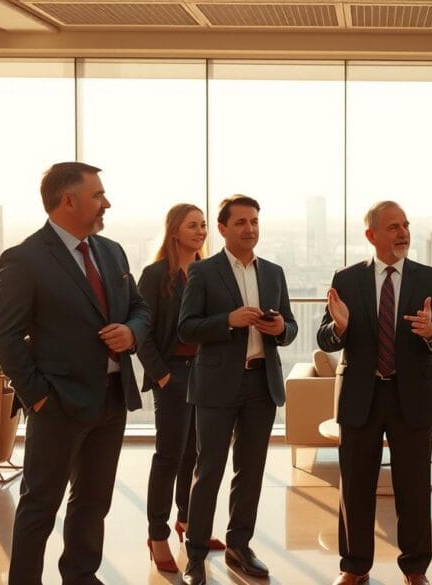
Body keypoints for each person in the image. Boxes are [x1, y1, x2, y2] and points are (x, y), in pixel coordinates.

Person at [0, 162, 152, 585]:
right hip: (58, 405)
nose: (107, 203)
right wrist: (39, 397)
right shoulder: (24, 259)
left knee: (93, 502)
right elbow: (4, 338)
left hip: (112, 399)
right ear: (68, 201)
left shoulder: (111, 251)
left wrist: (131, 333)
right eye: (98, 195)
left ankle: (80, 576)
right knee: (40, 506)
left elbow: (140, 308)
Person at [318, 201, 432, 585]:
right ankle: (354, 568)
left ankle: (415, 570)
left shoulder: (430, 278)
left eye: (406, 225)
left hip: (412, 397)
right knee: (355, 487)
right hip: (360, 397)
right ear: (372, 235)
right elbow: (324, 336)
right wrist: (340, 328)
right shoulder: (346, 279)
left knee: (413, 489)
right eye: (394, 227)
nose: (403, 233)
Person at [178, 195, 297, 585]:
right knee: (208, 470)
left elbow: (291, 326)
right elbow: (187, 328)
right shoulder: (204, 272)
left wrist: (280, 329)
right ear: (224, 229)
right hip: (216, 384)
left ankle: (239, 546)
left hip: (262, 383)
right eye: (242, 222)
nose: (250, 228)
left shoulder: (274, 273)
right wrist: (227, 320)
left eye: (255, 221)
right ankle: (195, 555)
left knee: (251, 472)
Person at [136, 203, 226, 573]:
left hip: (206, 372)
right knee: (169, 455)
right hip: (172, 372)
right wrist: (161, 376)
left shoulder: (208, 273)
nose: (201, 231)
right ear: (174, 231)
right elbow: (142, 331)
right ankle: (157, 534)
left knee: (196, 454)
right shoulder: (156, 275)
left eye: (204, 225)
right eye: (193, 225)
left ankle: (189, 523)